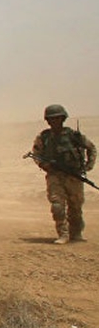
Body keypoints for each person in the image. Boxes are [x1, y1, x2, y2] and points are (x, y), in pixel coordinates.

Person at [31, 104, 96, 244]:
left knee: (75, 207)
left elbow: (91, 148)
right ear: (47, 120)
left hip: (73, 176)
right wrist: (43, 165)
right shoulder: (44, 137)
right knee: (57, 206)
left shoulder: (74, 136)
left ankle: (76, 233)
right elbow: (36, 154)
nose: (54, 121)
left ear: (63, 118)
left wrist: (88, 166)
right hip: (55, 176)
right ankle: (63, 234)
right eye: (51, 119)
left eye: (57, 118)